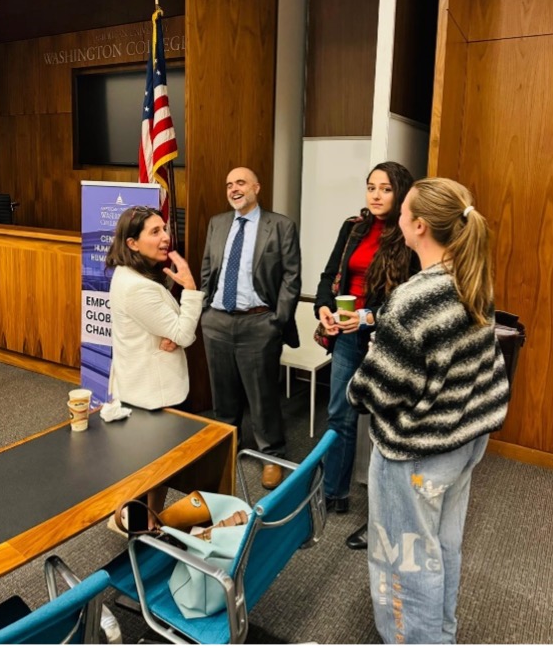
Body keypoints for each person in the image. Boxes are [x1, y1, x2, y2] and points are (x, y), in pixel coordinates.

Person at [347, 178, 510, 644]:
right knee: (441, 548)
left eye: (404, 210)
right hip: (463, 440)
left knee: (406, 560)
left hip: (417, 452)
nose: (395, 212)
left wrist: (368, 371)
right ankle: (441, 635)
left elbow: (375, 391)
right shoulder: (473, 278)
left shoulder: (414, 298)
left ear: (418, 226)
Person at [314, 161, 415, 544]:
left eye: (385, 189)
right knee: (339, 414)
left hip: (384, 339)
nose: (375, 195)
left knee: (385, 424)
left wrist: (368, 317)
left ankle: (384, 514)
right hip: (345, 336)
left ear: (400, 192)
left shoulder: (409, 234)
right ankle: (333, 494)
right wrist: (323, 307)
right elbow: (328, 276)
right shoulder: (353, 227)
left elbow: (408, 297)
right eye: (371, 187)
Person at [200, 167, 301, 490]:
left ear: (257, 187)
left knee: (262, 395)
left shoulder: (280, 225)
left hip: (259, 322)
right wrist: (205, 310)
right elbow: (207, 268)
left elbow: (291, 276)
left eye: (240, 182)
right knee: (223, 395)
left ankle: (272, 455)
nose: (234, 189)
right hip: (217, 320)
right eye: (229, 184)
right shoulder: (217, 223)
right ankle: (226, 446)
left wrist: (278, 320)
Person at [106, 205, 204, 517]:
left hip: (143, 384)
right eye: (155, 231)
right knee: (153, 467)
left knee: (152, 466)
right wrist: (189, 288)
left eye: (164, 229)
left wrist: (172, 331)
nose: (166, 237)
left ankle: (147, 521)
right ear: (132, 243)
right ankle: (141, 526)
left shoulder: (134, 273)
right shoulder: (137, 287)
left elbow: (170, 328)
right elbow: (184, 333)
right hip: (153, 393)